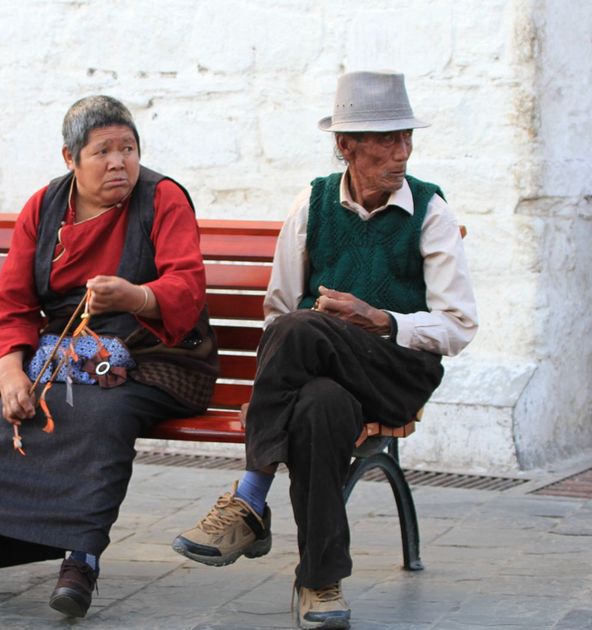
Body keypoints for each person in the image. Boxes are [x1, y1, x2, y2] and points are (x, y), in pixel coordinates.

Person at [0, 95, 218, 618]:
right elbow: (12, 302)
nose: (119, 162)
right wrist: (9, 369)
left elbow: (186, 287)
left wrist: (134, 296)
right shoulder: (43, 207)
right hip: (70, 355)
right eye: (103, 151)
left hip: (160, 353)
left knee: (103, 410)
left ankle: (81, 558)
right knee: (20, 405)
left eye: (128, 149)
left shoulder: (163, 199)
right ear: (70, 158)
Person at [172, 71, 478, 629]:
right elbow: (277, 309)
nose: (401, 151)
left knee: (302, 329)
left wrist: (379, 319)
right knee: (318, 407)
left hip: (397, 372)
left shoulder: (431, 211)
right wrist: (283, 392)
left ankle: (250, 496)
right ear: (345, 145)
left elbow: (459, 327)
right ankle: (319, 581)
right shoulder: (311, 205)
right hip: (323, 376)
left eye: (405, 137)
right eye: (385, 139)